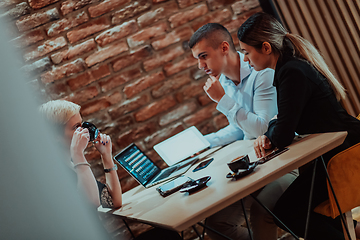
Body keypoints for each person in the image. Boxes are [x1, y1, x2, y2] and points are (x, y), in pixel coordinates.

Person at [238, 12, 360, 240]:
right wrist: (274, 127)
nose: (245, 59)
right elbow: (283, 121)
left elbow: (283, 134)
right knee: (298, 210)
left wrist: (272, 129)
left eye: (246, 52)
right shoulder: (290, 68)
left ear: (265, 48)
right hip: (338, 150)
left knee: (286, 213)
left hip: (343, 154)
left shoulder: (291, 73)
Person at [189, 23, 298, 240]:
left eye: (203, 56)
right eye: (197, 59)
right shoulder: (225, 83)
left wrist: (222, 100)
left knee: (261, 212)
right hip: (256, 164)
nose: (201, 65)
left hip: (282, 159)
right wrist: (203, 143)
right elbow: (239, 130)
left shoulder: (261, 71)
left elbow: (263, 128)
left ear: (223, 47)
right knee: (216, 225)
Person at [39, 99, 182, 240]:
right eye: (76, 127)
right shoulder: (56, 173)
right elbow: (93, 201)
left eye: (82, 125)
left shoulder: (73, 165)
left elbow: (114, 201)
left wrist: (106, 155)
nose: (83, 131)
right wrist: (78, 154)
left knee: (167, 234)